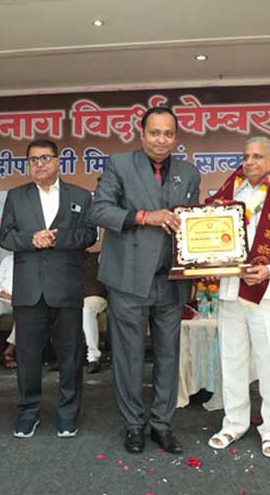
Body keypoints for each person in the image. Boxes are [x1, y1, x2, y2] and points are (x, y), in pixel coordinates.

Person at [90, 106, 201, 454]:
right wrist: (143, 216)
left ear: (176, 137)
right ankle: (134, 425)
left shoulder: (189, 173)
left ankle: (162, 425)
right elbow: (99, 210)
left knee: (169, 356)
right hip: (128, 278)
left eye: (168, 134)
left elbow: (193, 224)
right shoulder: (119, 164)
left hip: (171, 281)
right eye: (155, 133)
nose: (161, 140)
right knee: (129, 356)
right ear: (141, 134)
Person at [203, 137, 270, 458]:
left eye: (257, 156)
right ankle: (234, 423)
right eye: (246, 156)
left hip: (269, 292)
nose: (249, 162)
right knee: (232, 361)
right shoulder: (230, 194)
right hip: (230, 290)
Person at [0, 138, 97, 438]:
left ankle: (68, 413)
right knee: (28, 357)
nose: (39, 164)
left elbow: (90, 235)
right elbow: (5, 236)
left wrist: (57, 238)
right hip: (29, 289)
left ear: (58, 161)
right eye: (33, 160)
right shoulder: (16, 196)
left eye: (45, 158)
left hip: (66, 288)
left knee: (70, 356)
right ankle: (28, 412)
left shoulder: (80, 195)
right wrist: (32, 239)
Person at [83, 250, 106, 374]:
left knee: (87, 310)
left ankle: (93, 357)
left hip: (96, 294)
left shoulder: (103, 253)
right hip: (76, 296)